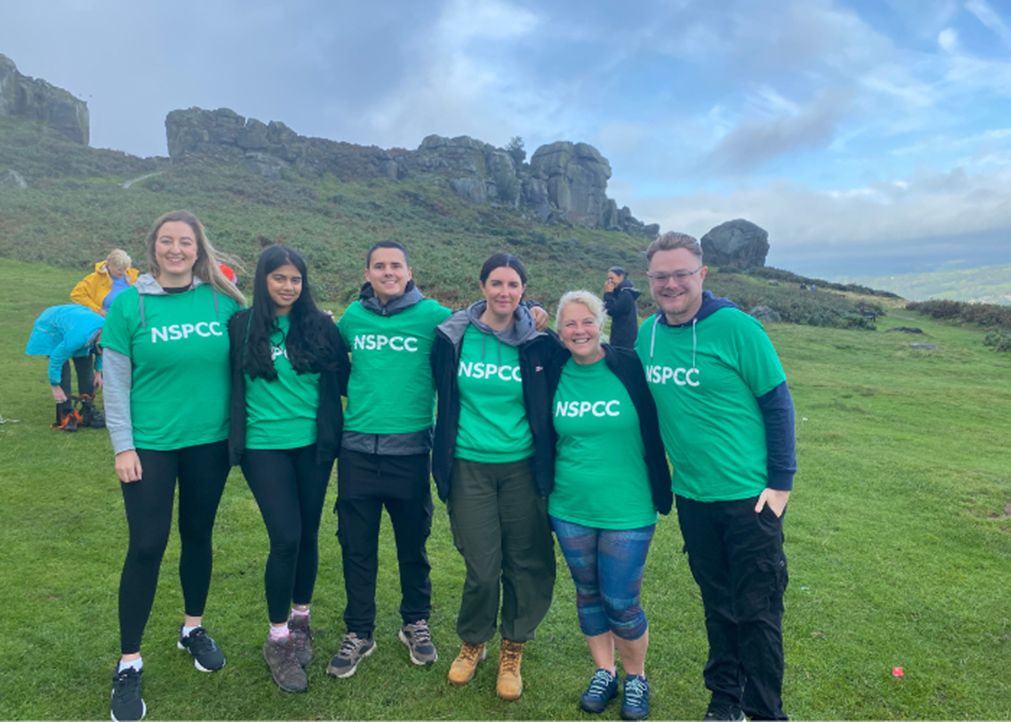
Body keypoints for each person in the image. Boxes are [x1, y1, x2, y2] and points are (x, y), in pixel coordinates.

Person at [635, 232, 796, 721]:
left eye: (681, 273)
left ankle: (765, 710)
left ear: (702, 274)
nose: (671, 284)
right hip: (693, 497)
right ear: (650, 280)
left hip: (750, 497)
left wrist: (781, 482)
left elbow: (776, 402)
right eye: (661, 276)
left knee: (758, 609)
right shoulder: (648, 335)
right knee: (717, 604)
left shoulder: (737, 328)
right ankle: (725, 699)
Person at [101, 210, 246, 722]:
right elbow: (115, 381)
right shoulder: (129, 305)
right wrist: (123, 446)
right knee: (145, 545)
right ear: (153, 247)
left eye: (186, 242)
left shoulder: (223, 299)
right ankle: (129, 661)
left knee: (198, 535)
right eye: (167, 241)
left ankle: (192, 628)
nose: (177, 250)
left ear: (199, 247)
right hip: (151, 446)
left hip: (209, 443)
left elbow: (255, 351)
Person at [431, 252, 557, 701]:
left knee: (525, 562)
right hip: (468, 466)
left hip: (522, 467)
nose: (505, 292)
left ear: (524, 291)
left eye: (514, 285)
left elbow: (581, 367)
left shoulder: (540, 342)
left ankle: (512, 648)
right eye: (496, 283)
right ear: (482, 286)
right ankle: (472, 642)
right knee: (482, 568)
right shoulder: (453, 337)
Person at [325, 240, 451, 680]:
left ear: (409, 270)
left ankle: (415, 621)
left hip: (412, 452)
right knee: (356, 547)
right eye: (379, 266)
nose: (388, 272)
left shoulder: (434, 316)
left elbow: (483, 323)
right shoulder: (352, 318)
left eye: (395, 265)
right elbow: (333, 362)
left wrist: (529, 312)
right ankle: (359, 631)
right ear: (368, 273)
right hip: (357, 452)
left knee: (412, 544)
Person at [546, 290, 672, 720]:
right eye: (570, 324)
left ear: (599, 323)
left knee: (621, 599)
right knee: (588, 594)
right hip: (570, 505)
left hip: (629, 508)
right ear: (559, 332)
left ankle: (635, 677)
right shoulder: (552, 372)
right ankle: (605, 671)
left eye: (587, 322)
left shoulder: (629, 366)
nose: (579, 331)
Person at [228, 245, 349, 693]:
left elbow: (349, 379)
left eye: (295, 279)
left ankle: (301, 620)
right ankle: (278, 637)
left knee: (309, 533)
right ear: (263, 281)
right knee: (286, 538)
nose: (288, 286)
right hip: (264, 448)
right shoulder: (240, 327)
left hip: (313, 448)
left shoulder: (320, 326)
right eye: (279, 278)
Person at [24, 303, 106, 430]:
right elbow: (56, 358)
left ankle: (87, 411)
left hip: (78, 323)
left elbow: (102, 351)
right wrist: (55, 386)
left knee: (86, 369)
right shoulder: (78, 337)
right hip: (52, 323)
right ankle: (66, 415)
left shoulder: (108, 332)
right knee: (63, 372)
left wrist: (98, 372)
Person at [71, 249, 140, 316]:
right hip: (106, 319)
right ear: (109, 266)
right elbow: (77, 295)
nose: (123, 272)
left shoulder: (132, 277)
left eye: (125, 268)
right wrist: (98, 311)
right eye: (119, 269)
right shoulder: (95, 278)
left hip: (129, 318)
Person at [602, 266, 641, 348]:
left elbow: (611, 310)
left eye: (612, 278)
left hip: (624, 341)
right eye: (608, 279)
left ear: (621, 277)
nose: (610, 281)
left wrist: (608, 293)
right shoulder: (621, 293)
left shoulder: (626, 294)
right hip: (621, 338)